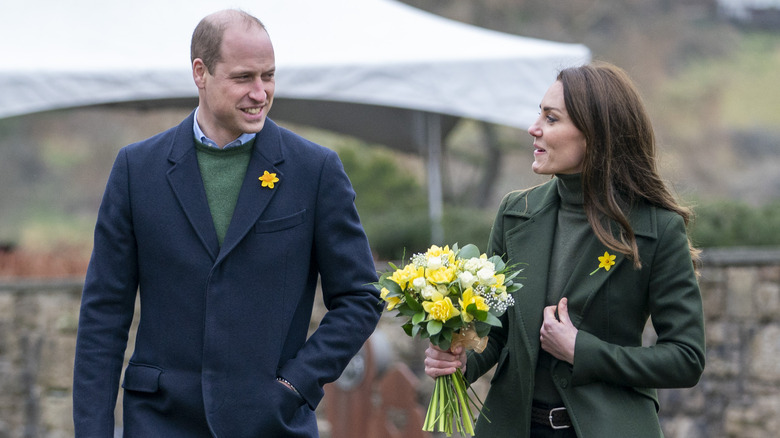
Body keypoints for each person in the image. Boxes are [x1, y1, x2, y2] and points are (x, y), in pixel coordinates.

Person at [72, 9, 382, 437]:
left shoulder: (315, 170)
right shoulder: (135, 169)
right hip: (160, 422)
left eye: (268, 76)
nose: (260, 92)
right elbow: (104, 315)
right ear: (200, 72)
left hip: (272, 423)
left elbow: (361, 296)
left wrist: (296, 383)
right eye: (244, 78)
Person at [424, 62, 705, 437]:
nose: (533, 128)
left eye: (551, 119)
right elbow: (497, 333)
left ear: (595, 134)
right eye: (539, 114)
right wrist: (461, 361)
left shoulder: (656, 229)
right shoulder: (514, 214)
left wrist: (581, 350)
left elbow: (685, 359)